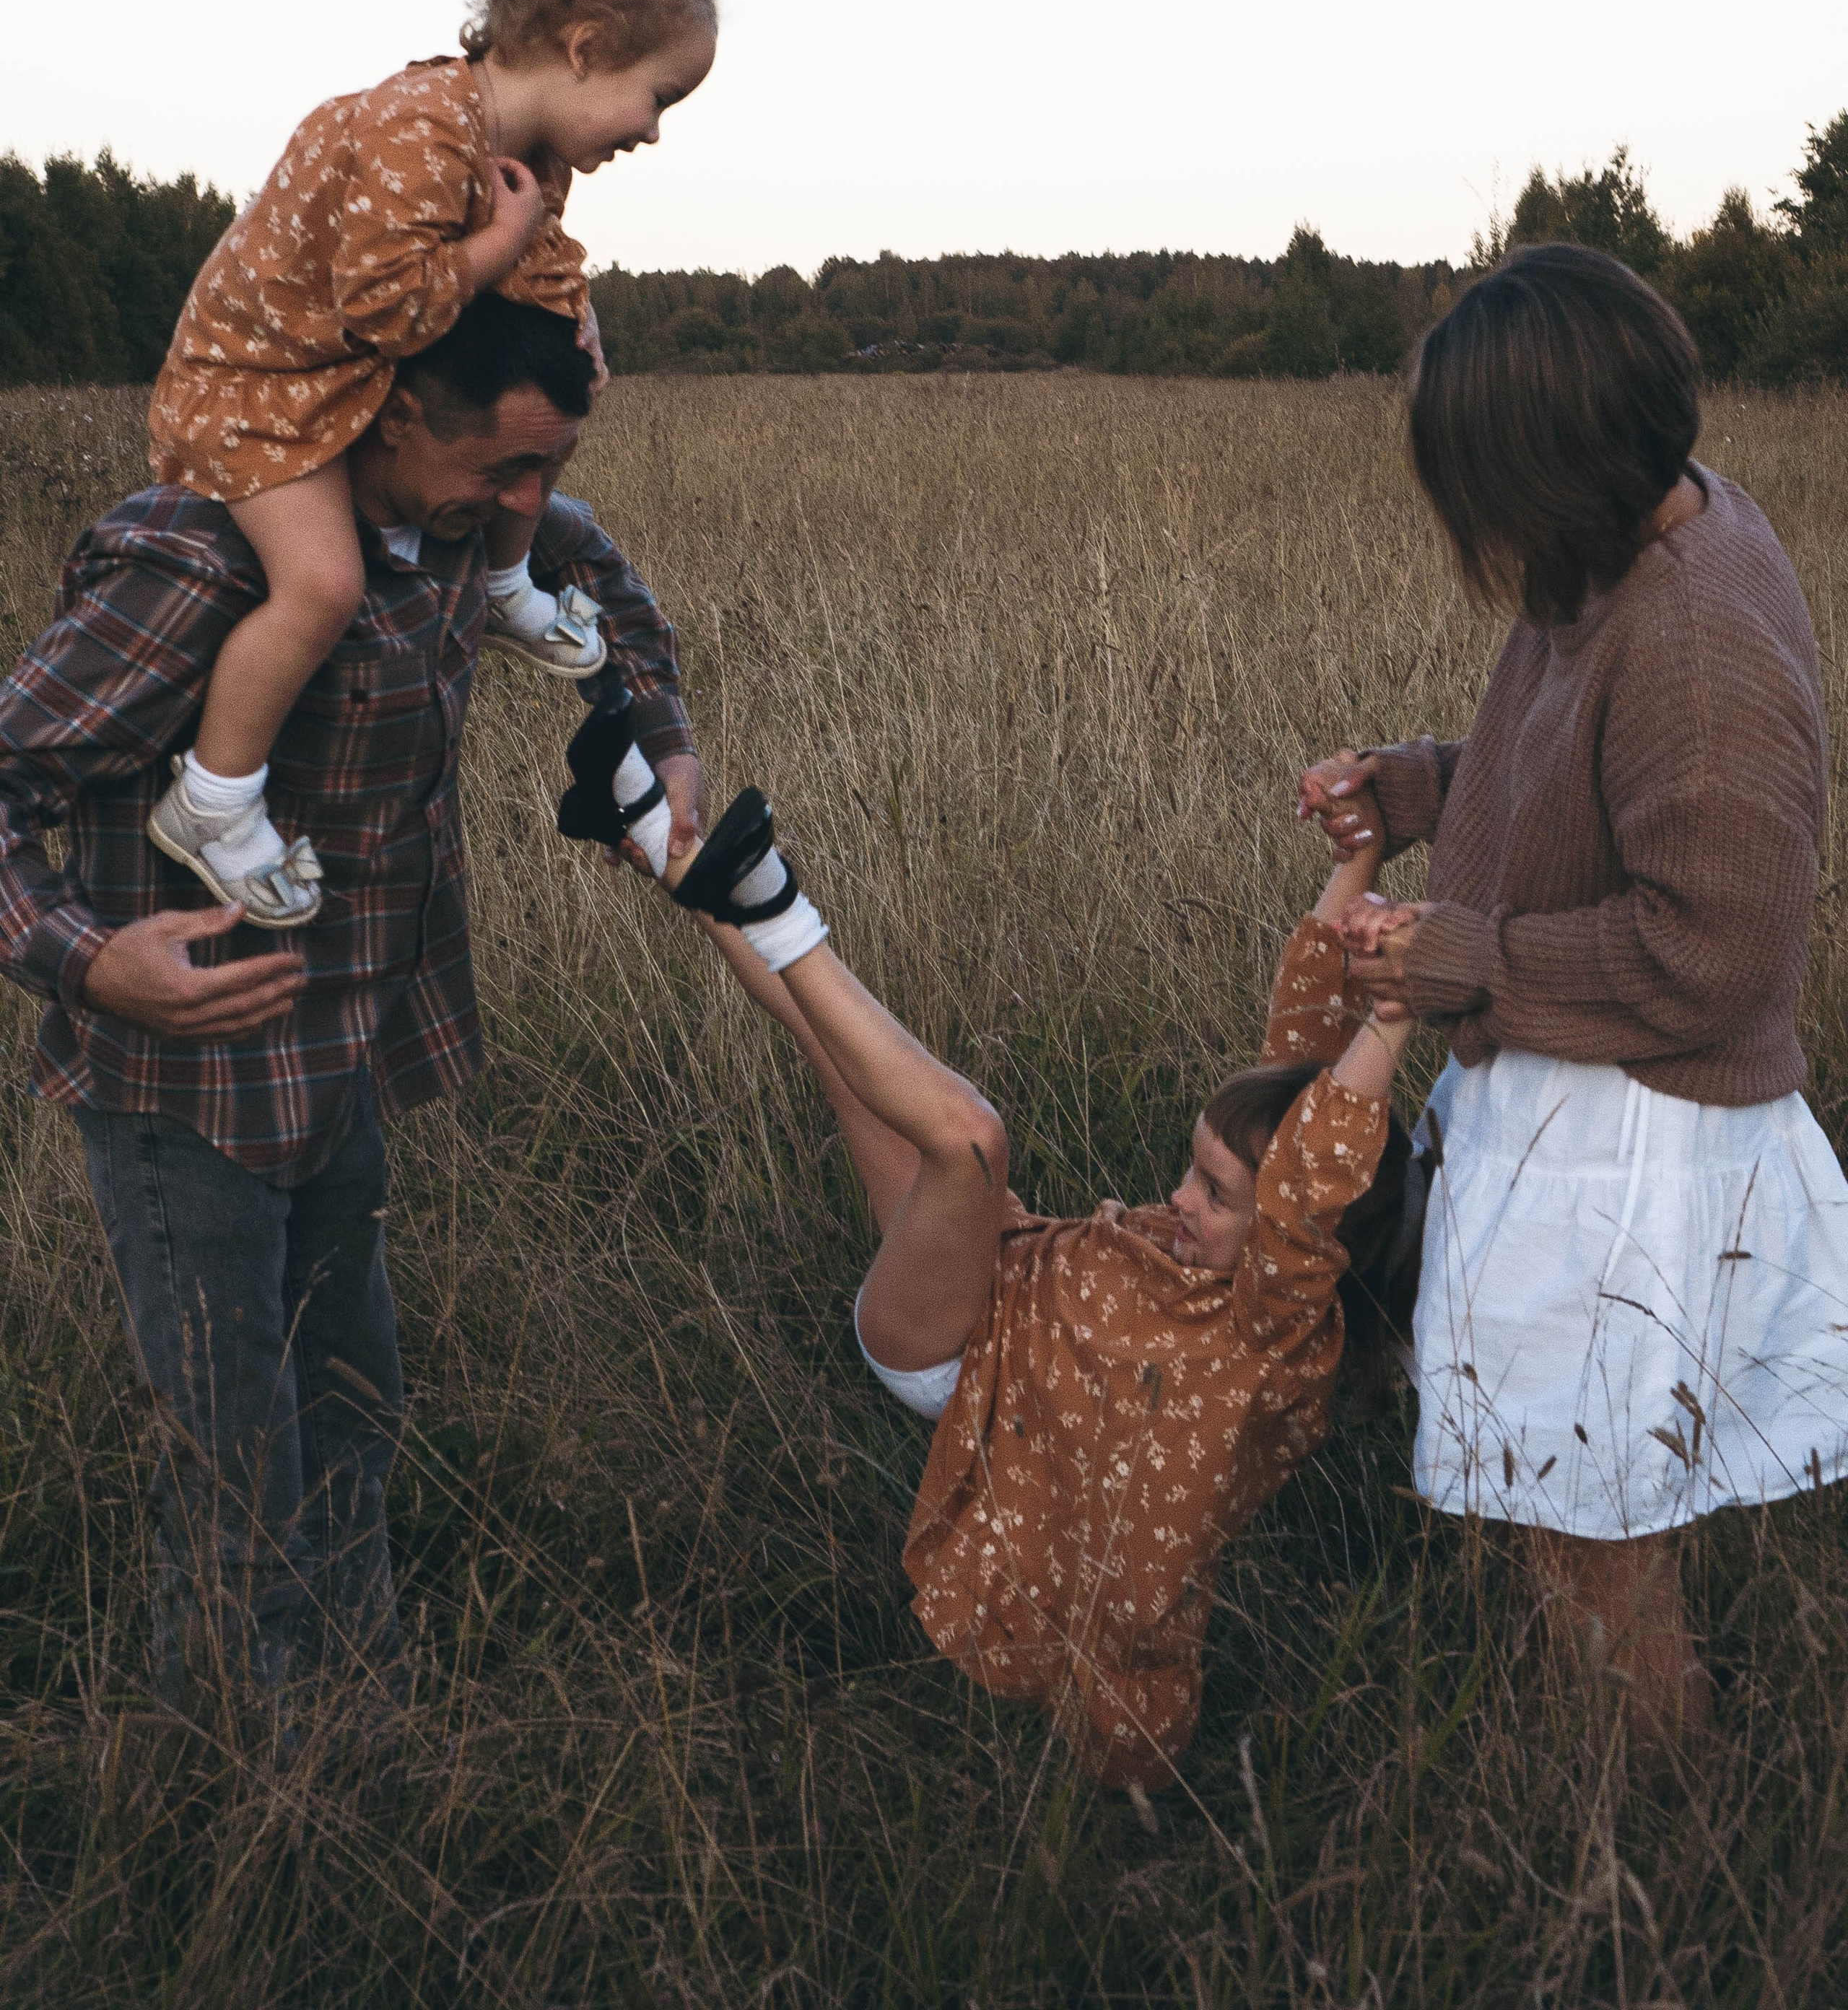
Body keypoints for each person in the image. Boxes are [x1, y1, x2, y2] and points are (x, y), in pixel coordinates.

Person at [0, 292, 704, 1708]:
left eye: (545, 470)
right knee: (235, 1459)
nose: (527, 504)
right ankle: (231, 1785)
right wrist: (86, 958)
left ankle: (356, 1715)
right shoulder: (202, 561)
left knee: (353, 1407)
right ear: (391, 415)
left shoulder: (474, 528)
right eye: (502, 468)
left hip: (340, 1063)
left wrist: (665, 745)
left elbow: (604, 588)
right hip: (183, 1093)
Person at [1300, 241, 1847, 1742]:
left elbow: (1719, 951)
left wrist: (1466, 958)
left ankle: (1649, 1839)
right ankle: (1610, 1788)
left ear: (1552, 465)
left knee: (1599, 1535)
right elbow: (1587, 796)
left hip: (1636, 1149)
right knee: (1579, 1515)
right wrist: (1421, 786)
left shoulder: (1692, 633)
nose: (1470, 525)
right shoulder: (1623, 546)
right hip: (1584, 1111)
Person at [632, 777, 1419, 1791]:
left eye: (1215, 1196)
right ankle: (658, 837)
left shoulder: (1277, 1327)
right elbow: (1302, 1035)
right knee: (841, 1061)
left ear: (1304, 1243)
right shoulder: (1254, 1215)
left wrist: (1397, 1013)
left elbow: (1314, 1177)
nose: (1178, 1200)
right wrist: (1366, 853)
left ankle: (773, 895)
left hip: (957, 1355)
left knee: (968, 1139)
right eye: (1192, 1171)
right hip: (999, 1269)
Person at [142, 0, 720, 927]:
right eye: (657, 96)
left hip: (340, 383)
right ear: (585, 50)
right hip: (257, 396)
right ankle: (212, 801)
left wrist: (574, 325)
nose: (653, 130)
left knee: (561, 408)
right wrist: (506, 241)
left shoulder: (532, 161)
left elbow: (535, 278)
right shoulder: (418, 124)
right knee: (321, 585)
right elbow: (389, 303)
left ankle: (503, 585)